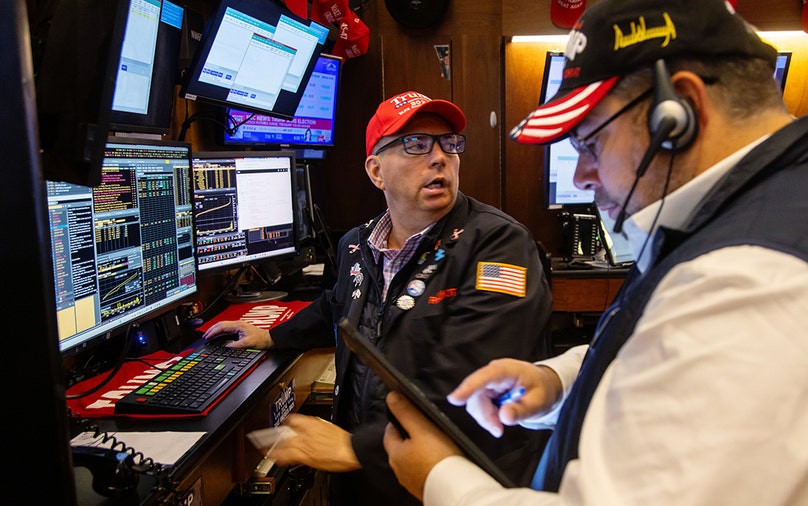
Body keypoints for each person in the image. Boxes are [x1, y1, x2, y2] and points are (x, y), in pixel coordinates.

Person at [382, 1, 808, 504]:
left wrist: (439, 476)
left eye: (590, 143)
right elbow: (676, 352)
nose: (582, 175)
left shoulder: (761, 282)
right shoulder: (773, 209)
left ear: (680, 113)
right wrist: (560, 383)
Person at [203, 91, 552, 505]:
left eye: (450, 143)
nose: (440, 157)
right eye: (416, 144)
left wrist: (356, 448)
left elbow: (479, 374)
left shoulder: (498, 244)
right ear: (376, 171)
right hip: (368, 478)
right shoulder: (357, 244)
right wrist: (273, 337)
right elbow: (337, 306)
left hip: (457, 480)